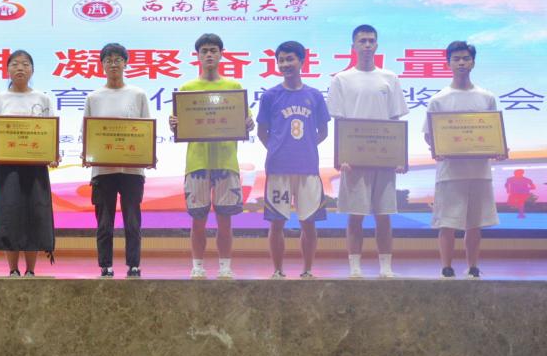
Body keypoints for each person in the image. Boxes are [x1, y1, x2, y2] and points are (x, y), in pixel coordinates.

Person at [168, 33, 254, 280]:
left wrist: (248, 123)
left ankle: (225, 266)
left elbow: (246, 122)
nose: (208, 55)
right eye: (204, 51)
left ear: (221, 54)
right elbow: (179, 125)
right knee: (198, 220)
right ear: (197, 56)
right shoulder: (187, 89)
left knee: (225, 220)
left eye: (213, 50)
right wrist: (174, 124)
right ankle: (197, 266)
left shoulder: (234, 88)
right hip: (197, 163)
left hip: (226, 161)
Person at [327, 24, 408, 278]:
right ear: (353, 46)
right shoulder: (341, 79)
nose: (367, 45)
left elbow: (395, 121)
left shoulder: (390, 78)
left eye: (371, 40)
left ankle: (386, 267)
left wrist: (399, 157)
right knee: (355, 216)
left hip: (384, 159)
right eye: (362, 41)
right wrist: (340, 157)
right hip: (354, 160)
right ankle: (355, 267)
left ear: (377, 45)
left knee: (384, 215)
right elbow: (339, 122)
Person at [423, 41, 502, 279]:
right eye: (456, 59)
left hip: (479, 171)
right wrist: (437, 148)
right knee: (447, 223)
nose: (461, 63)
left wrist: (498, 148)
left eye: (466, 58)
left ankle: (473, 267)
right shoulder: (439, 99)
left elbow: (494, 132)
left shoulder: (486, 97)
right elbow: (429, 135)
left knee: (474, 224)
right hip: (450, 172)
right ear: (448, 63)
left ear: (473, 63)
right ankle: (446, 267)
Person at [257, 41, 331, 279]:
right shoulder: (270, 96)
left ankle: (307, 270)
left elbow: (323, 131)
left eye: (290, 59)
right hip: (278, 168)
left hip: (308, 168)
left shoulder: (315, 95)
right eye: (281, 60)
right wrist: (279, 149)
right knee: (277, 222)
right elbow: (262, 132)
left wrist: (304, 147)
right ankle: (277, 271)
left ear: (302, 61)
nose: (285, 64)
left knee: (308, 222)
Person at [0, 50, 57, 277]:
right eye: (15, 64)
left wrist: (53, 153)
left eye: (25, 64)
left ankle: (31, 270)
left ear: (32, 70)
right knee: (10, 216)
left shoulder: (43, 99)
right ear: (7, 70)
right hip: (7, 170)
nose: (20, 68)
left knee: (34, 215)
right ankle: (13, 270)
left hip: (35, 168)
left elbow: (50, 133)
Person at [83, 42, 151, 278]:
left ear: (125, 63)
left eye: (118, 60)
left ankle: (134, 264)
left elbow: (146, 130)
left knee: (132, 221)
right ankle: (106, 265)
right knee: (104, 223)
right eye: (108, 60)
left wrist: (147, 154)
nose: (113, 64)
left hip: (132, 171)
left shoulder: (138, 94)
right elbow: (87, 133)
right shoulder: (93, 97)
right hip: (103, 170)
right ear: (102, 65)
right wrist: (87, 153)